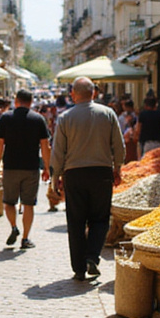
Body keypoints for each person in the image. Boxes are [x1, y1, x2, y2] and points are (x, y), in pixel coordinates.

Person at [50, 76, 124, 281]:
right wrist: (118, 167)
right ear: (94, 93)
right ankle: (92, 256)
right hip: (101, 173)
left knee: (75, 221)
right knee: (100, 219)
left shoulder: (65, 118)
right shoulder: (107, 113)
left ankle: (79, 267)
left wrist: (55, 176)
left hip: (74, 174)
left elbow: (58, 151)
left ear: (73, 94)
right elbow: (119, 145)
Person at [0, 88, 51, 250]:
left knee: (9, 202)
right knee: (28, 204)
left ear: (16, 101)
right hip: (31, 167)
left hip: (10, 166)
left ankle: (13, 227)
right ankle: (25, 238)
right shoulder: (38, 119)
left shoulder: (5, 118)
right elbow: (45, 146)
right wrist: (47, 167)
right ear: (31, 102)